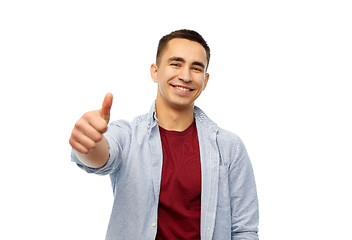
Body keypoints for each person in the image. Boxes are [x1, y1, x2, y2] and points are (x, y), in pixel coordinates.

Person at [69, 29, 259, 240]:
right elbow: (101, 157)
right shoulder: (128, 135)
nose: (185, 76)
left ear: (205, 81)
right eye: (176, 64)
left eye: (196, 68)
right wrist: (88, 144)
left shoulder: (229, 147)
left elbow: (245, 230)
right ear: (155, 72)